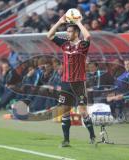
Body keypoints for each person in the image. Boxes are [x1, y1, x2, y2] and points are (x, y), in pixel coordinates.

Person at [47, 15, 96, 147]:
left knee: (83, 111)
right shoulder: (64, 44)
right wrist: (59, 21)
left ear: (76, 33)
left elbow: (88, 36)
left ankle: (92, 136)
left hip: (79, 83)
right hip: (66, 83)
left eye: (69, 31)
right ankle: (66, 140)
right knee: (65, 111)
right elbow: (49, 35)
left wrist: (79, 23)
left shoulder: (83, 45)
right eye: (67, 31)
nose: (67, 33)